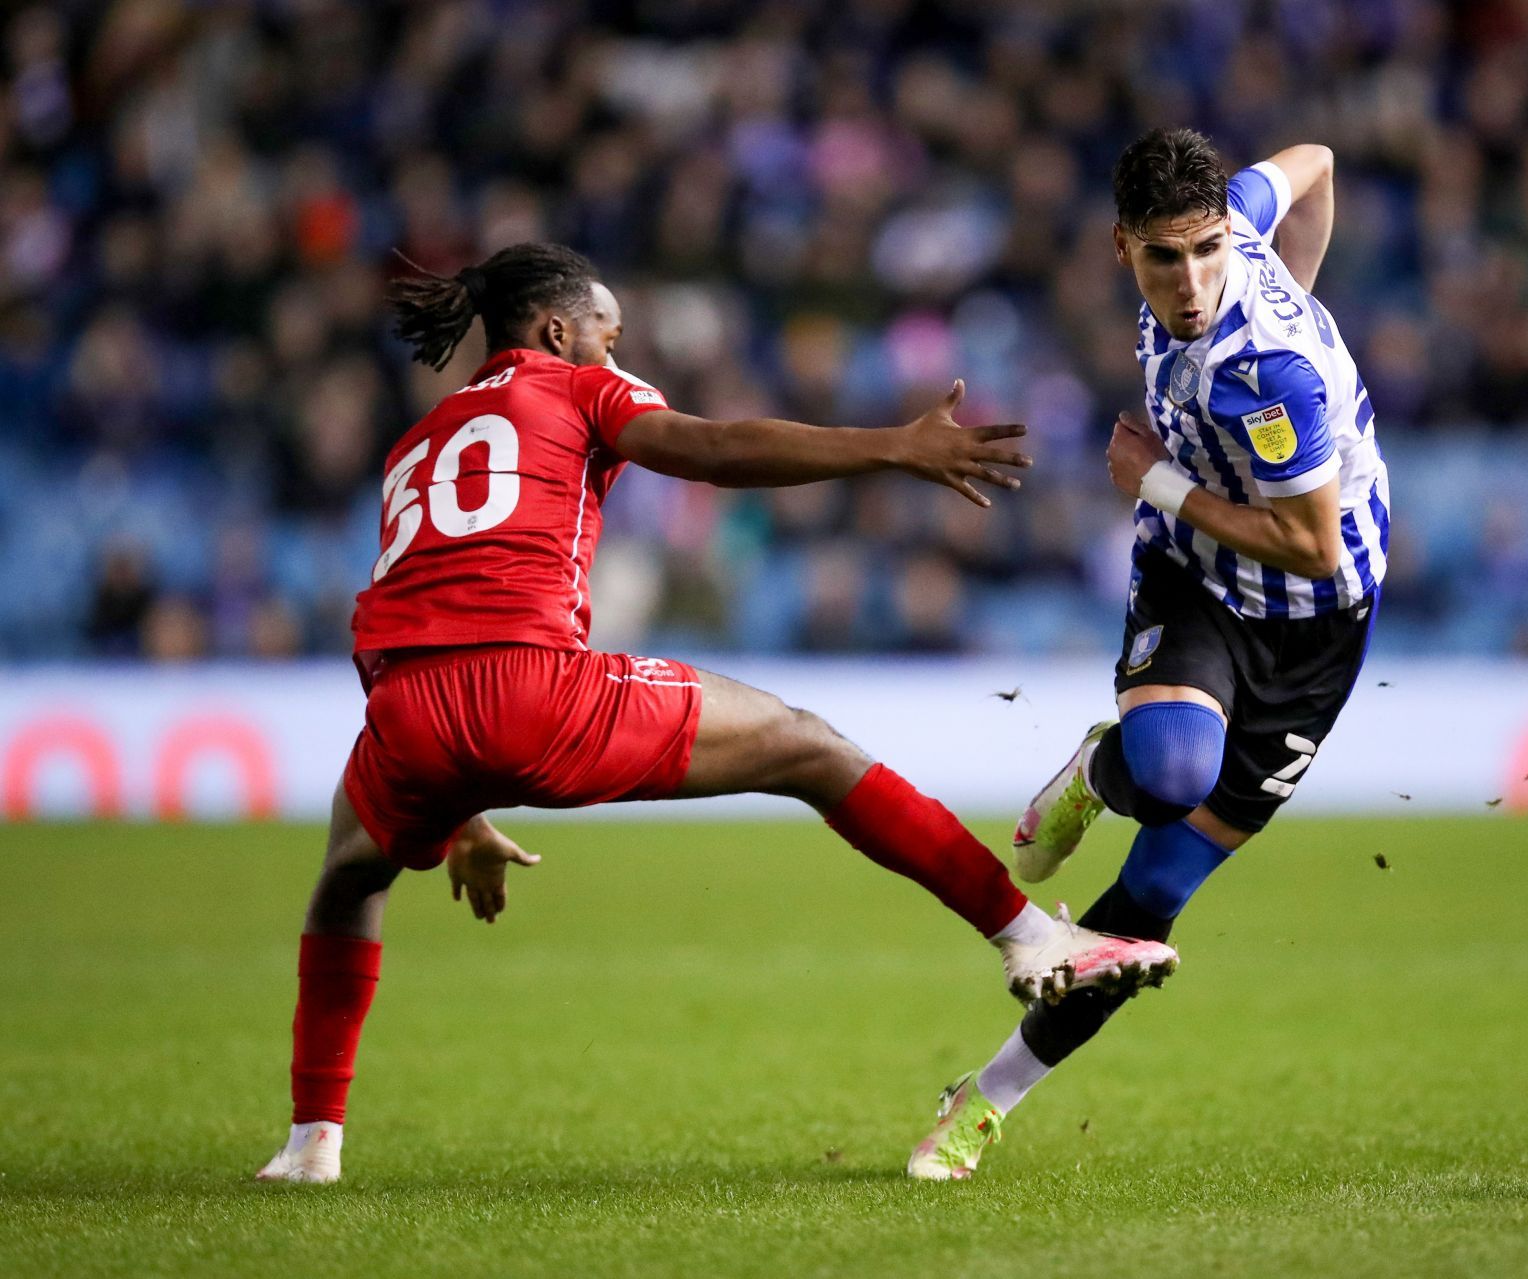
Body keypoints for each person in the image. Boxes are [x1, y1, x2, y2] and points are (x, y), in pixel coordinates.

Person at [255, 242, 1177, 1184]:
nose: (618, 354)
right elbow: (713, 449)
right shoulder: (577, 388)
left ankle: (310, 1142)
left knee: (346, 879)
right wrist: (891, 446)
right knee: (810, 749)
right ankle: (1032, 938)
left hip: (405, 709)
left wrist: (457, 805)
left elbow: (401, 623)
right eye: (609, 335)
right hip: (535, 690)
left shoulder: (417, 444)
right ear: (558, 331)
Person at [908, 129, 1388, 1179]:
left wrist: (1158, 483)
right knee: (1171, 773)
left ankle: (984, 1095)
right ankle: (1102, 766)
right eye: (1166, 258)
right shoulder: (1234, 234)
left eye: (1210, 251)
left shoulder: (1267, 374)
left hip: (1311, 624)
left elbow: (1309, 543)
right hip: (1199, 571)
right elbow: (1314, 162)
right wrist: (1286, 275)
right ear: (1121, 244)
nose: (1193, 280)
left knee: (1152, 900)